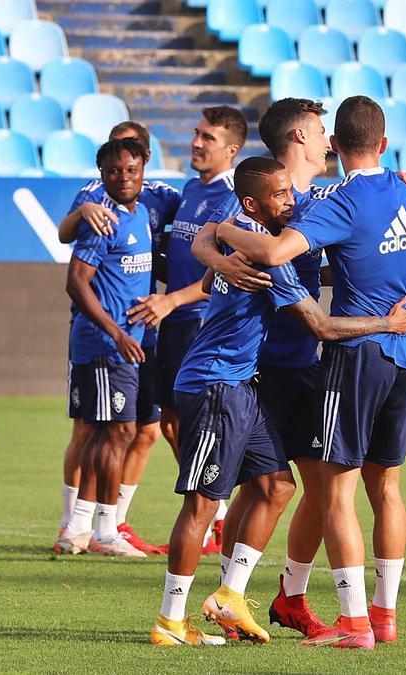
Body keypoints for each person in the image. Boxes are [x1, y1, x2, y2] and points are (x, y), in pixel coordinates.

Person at [152, 156, 406, 647]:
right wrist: (387, 323)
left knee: (276, 486)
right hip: (214, 385)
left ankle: (230, 595)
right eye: (281, 195)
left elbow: (211, 258)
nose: (290, 200)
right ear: (257, 200)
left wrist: (217, 257)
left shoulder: (242, 226)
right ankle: (170, 622)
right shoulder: (268, 256)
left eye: (291, 192)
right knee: (204, 505)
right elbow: (320, 325)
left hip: (240, 383)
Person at [216, 96, 406, 649]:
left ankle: (310, 604)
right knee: (272, 488)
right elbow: (235, 240)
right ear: (307, 140)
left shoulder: (325, 200)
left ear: (335, 144)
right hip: (280, 368)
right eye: (317, 127)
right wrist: (220, 242)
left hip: (338, 362)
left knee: (319, 491)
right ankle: (232, 594)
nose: (326, 136)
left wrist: (221, 238)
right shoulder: (266, 204)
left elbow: (297, 243)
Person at [54, 121, 182, 556]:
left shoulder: (143, 214)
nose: (123, 178)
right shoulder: (102, 220)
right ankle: (100, 532)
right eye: (114, 171)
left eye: (131, 169)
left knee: (119, 433)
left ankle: (82, 529)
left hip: (131, 341)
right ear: (102, 174)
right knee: (114, 431)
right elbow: (76, 282)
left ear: (144, 167)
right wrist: (116, 332)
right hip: (107, 345)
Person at [158, 106, 248, 555]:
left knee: (191, 423)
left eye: (206, 137)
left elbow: (226, 270)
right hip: (170, 322)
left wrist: (174, 298)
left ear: (231, 149)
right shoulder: (191, 188)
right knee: (170, 423)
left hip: (200, 325)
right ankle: (214, 509)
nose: (195, 142)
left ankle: (216, 512)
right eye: (195, 134)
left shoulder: (232, 197)